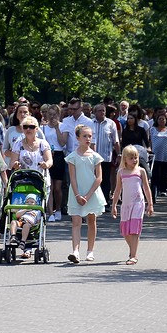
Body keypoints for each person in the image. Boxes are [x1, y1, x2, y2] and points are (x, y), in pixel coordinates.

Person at [65, 124, 106, 264]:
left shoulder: (95, 156)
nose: (88, 139)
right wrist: (77, 195)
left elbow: (99, 177)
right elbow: (72, 178)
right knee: (76, 221)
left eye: (90, 136)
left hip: (92, 193)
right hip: (76, 192)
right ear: (78, 138)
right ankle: (75, 251)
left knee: (91, 221)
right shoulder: (72, 157)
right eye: (84, 136)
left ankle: (90, 251)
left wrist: (88, 195)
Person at [111, 145, 154, 265]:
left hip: (138, 204)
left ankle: (133, 256)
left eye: (136, 157)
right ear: (125, 159)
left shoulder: (141, 171)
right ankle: (132, 249)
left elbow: (146, 188)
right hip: (126, 205)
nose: (134, 160)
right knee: (125, 231)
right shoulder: (121, 172)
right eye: (131, 158)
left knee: (134, 230)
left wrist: (150, 204)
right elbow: (117, 190)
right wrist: (114, 206)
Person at [90, 104, 121, 205]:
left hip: (105, 158)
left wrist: (119, 154)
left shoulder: (111, 124)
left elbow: (116, 141)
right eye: (99, 111)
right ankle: (94, 202)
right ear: (95, 112)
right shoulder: (90, 123)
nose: (102, 112)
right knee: (93, 180)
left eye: (103, 110)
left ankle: (105, 202)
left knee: (105, 180)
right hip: (91, 158)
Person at [41, 104, 67, 221]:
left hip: (59, 156)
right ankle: (50, 212)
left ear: (59, 115)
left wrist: (56, 128)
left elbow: (62, 142)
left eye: (54, 115)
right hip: (47, 155)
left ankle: (58, 209)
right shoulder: (43, 128)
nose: (52, 117)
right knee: (49, 186)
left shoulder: (63, 126)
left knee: (57, 187)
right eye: (50, 114)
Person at [149, 110, 167, 197]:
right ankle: (155, 189)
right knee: (155, 173)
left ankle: (163, 189)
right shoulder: (153, 129)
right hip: (155, 155)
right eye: (160, 119)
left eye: (163, 119)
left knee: (165, 173)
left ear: (166, 121)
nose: (161, 120)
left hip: (166, 155)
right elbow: (149, 141)